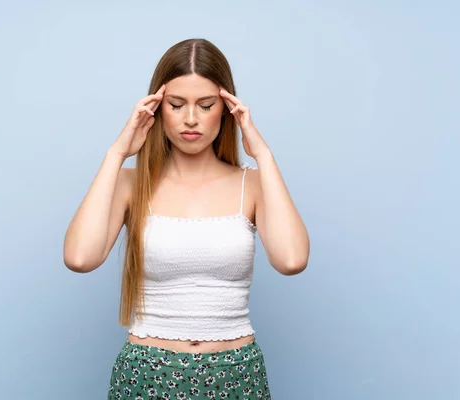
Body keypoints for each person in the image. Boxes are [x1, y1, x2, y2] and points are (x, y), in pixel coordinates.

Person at [63, 38, 310, 399]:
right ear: (156, 108)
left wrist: (264, 155)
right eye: (176, 105)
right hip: (146, 373)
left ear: (226, 109)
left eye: (205, 105)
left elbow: (292, 260)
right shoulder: (131, 184)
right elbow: (80, 258)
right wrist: (117, 153)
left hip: (236, 374)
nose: (190, 118)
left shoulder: (252, 184)